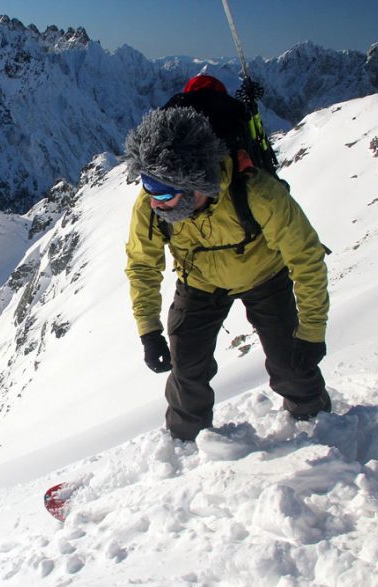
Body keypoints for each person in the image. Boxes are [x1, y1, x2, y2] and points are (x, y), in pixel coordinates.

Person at [123, 88, 331, 442]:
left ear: (193, 183)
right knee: (187, 370)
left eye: (162, 192)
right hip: (199, 283)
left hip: (265, 275)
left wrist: (311, 332)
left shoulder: (257, 193)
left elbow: (305, 256)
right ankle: (185, 441)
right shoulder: (151, 206)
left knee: (292, 362)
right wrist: (149, 331)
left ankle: (317, 424)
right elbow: (142, 264)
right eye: (147, 187)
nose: (153, 201)